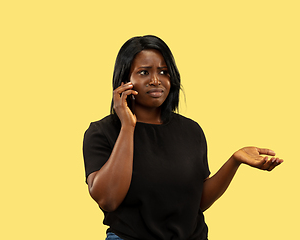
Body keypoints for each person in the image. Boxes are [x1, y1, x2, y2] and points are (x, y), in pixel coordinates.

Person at [83, 35, 283, 240]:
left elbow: (197, 202)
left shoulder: (191, 130)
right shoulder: (102, 132)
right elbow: (108, 199)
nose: (155, 80)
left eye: (164, 72)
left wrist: (234, 161)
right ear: (124, 81)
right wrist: (127, 126)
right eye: (144, 72)